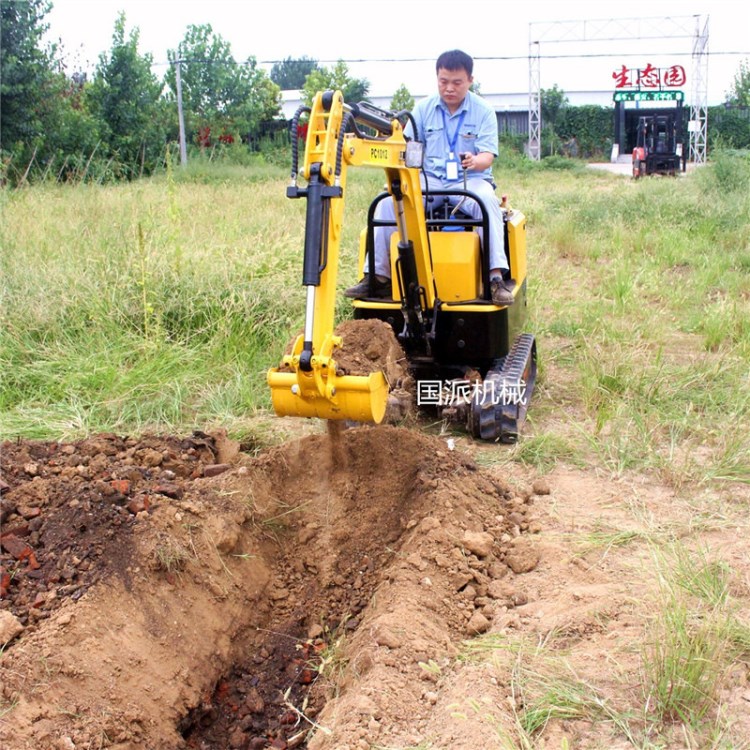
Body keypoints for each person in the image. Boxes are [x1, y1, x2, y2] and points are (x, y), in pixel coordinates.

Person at [345, 49, 515, 306]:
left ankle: (495, 279)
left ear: (470, 80)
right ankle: (377, 276)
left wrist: (474, 160)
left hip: (470, 179)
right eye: (443, 81)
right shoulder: (423, 110)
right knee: (386, 204)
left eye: (456, 82)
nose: (449, 88)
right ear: (437, 78)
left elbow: (487, 157)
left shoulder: (484, 111)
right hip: (431, 180)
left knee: (486, 203)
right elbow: (404, 146)